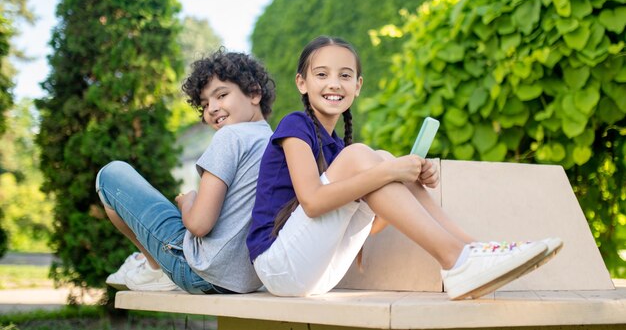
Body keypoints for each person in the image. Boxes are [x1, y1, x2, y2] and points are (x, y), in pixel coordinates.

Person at [246, 35, 561, 300]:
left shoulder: (339, 151)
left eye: (344, 76)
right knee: (371, 159)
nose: (334, 84)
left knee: (378, 157)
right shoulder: (295, 125)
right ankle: (456, 259)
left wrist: (410, 182)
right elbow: (313, 203)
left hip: (320, 273)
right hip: (279, 266)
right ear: (302, 82)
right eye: (322, 74)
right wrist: (389, 172)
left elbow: (370, 226)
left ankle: (474, 250)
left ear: (357, 86)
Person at [97, 50, 275, 294]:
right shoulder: (275, 141)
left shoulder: (230, 136)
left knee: (111, 175)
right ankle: (151, 264)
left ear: (254, 93)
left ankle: (154, 267)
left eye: (221, 95)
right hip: (249, 278)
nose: (212, 108)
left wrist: (187, 203)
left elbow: (199, 224)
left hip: (200, 271)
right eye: (204, 104)